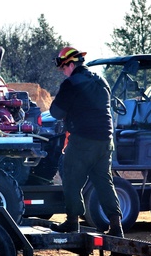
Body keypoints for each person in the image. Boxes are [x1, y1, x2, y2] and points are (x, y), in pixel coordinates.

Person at [49, 45, 124, 237]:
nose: (63, 72)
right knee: (103, 181)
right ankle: (116, 226)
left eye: (64, 68)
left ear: (71, 64)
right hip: (106, 141)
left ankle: (73, 222)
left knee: (70, 173)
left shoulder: (72, 83)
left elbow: (55, 112)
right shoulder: (101, 81)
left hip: (84, 139)